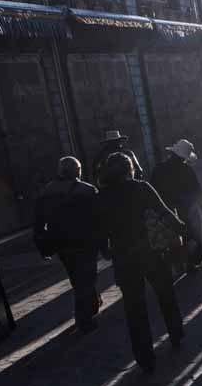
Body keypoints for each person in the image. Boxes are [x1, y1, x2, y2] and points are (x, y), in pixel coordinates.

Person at [98, 152, 186, 373]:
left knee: (134, 307)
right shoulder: (141, 187)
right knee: (165, 293)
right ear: (130, 169)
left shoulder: (103, 196)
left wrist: (105, 250)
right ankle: (176, 333)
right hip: (151, 251)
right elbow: (164, 212)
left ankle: (144, 356)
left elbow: (98, 228)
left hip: (123, 257)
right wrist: (184, 231)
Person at [33, 157, 103, 333]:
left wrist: (43, 246)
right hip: (86, 243)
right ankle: (84, 317)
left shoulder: (46, 192)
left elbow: (38, 222)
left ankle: (90, 306)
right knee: (87, 279)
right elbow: (99, 218)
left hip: (62, 245)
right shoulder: (88, 190)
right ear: (78, 171)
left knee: (77, 279)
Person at [150, 139, 202, 273]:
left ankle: (177, 262)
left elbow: (152, 190)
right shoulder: (186, 170)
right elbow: (197, 190)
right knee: (192, 233)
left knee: (171, 236)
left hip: (166, 208)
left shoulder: (159, 169)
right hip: (187, 208)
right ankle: (192, 261)